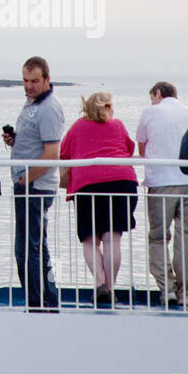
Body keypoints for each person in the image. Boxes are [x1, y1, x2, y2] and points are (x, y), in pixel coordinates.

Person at [59, 92, 137, 306]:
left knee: (90, 240)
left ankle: (100, 283)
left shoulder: (77, 127)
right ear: (108, 107)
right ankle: (110, 288)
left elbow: (63, 152)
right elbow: (129, 149)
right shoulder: (118, 125)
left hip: (88, 184)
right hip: (122, 181)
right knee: (113, 238)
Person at [3, 56, 65, 311]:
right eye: (25, 81)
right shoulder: (32, 102)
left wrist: (24, 178)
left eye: (34, 81)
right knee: (32, 246)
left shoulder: (49, 108)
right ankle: (44, 301)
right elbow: (36, 142)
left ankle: (40, 304)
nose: (28, 86)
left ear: (47, 80)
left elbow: (52, 154)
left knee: (30, 249)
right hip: (28, 184)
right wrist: (15, 140)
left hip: (35, 187)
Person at [135, 81, 188, 308]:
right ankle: (185, 292)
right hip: (187, 181)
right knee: (185, 237)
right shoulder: (187, 112)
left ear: (157, 93)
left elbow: (141, 146)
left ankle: (166, 288)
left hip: (160, 182)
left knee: (158, 237)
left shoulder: (150, 111)